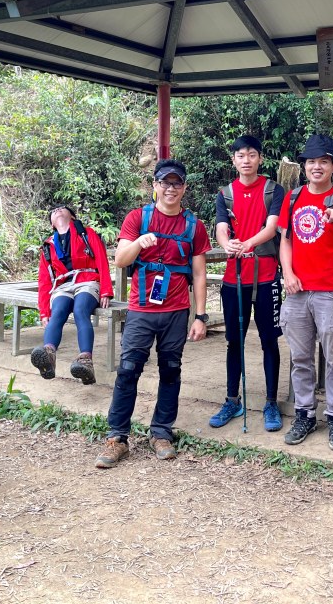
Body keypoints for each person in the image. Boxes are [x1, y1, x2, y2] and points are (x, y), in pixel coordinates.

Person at [94, 159, 210, 468]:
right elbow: (120, 260)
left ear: (184, 187)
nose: (171, 188)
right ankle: (117, 438)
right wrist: (138, 243)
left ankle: (161, 433)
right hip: (141, 309)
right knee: (128, 369)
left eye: (177, 183)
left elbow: (199, 274)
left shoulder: (194, 226)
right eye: (165, 183)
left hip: (176, 310)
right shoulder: (137, 218)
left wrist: (201, 317)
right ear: (155, 186)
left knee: (170, 370)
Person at [278, 133, 333, 452]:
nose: (316, 167)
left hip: (332, 291)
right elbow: (285, 240)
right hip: (298, 290)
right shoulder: (293, 198)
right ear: (304, 166)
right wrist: (288, 273)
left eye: (323, 161)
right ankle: (305, 413)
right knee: (300, 357)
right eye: (311, 161)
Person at [210, 135, 286, 432]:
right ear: (233, 160)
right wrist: (227, 244)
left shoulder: (274, 190)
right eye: (240, 155)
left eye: (251, 154)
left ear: (260, 158)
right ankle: (232, 399)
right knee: (234, 341)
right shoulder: (225, 194)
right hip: (235, 277)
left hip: (266, 275)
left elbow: (272, 227)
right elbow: (221, 227)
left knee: (269, 341)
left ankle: (271, 402)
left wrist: (248, 244)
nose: (246, 160)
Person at [32, 205, 113, 385]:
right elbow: (44, 281)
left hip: (88, 279)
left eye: (62, 208)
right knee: (58, 312)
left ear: (73, 217)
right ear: (52, 224)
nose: (57, 210)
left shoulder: (87, 234)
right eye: (54, 211)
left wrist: (106, 290)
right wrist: (44, 311)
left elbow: (102, 260)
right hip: (63, 285)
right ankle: (48, 355)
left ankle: (85, 361)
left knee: (80, 311)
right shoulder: (48, 245)